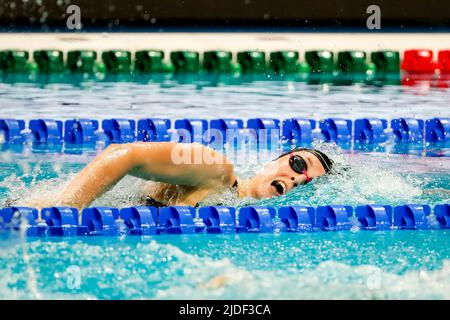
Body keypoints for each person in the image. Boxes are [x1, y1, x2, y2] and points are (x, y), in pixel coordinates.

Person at [41, 142, 334, 210]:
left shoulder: (233, 208)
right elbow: (123, 154)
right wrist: (65, 210)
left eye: (309, 183)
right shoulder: (219, 171)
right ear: (275, 160)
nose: (298, 178)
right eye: (298, 164)